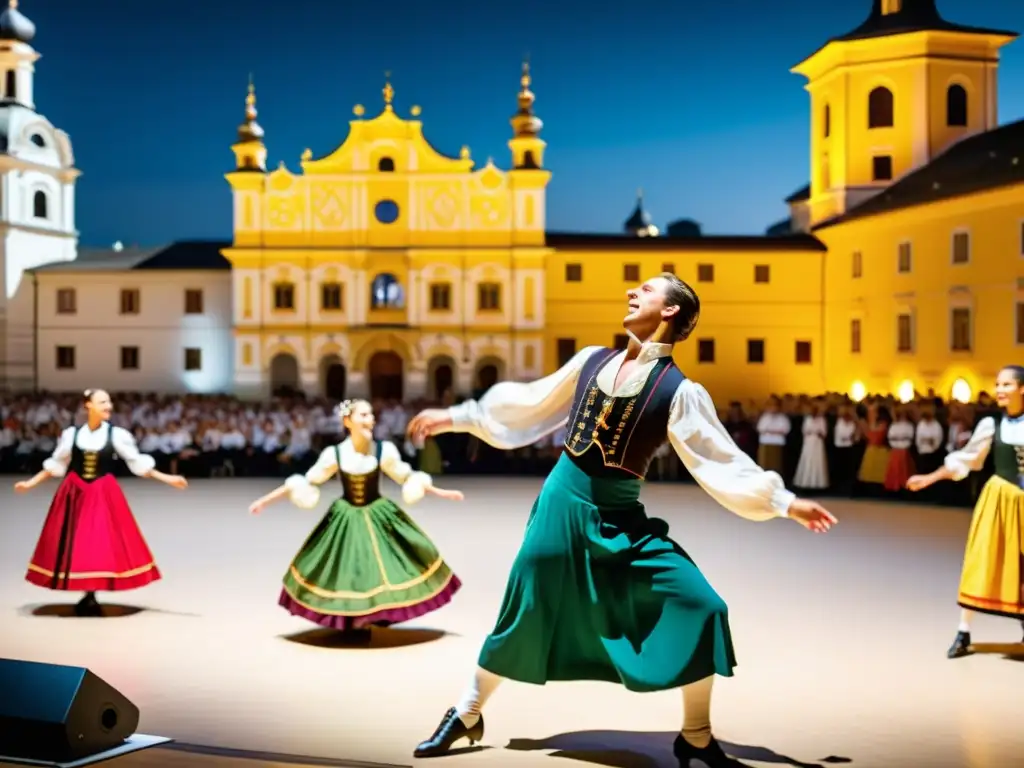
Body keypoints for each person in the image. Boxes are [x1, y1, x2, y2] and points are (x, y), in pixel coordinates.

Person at [406, 273, 837, 767]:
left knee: (703, 606)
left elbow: (719, 459)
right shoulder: (592, 360)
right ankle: (466, 712)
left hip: (620, 516)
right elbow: (531, 403)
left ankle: (695, 736)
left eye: (648, 290)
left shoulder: (679, 391)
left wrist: (783, 502)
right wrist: (460, 417)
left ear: (671, 311)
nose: (633, 292)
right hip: (561, 504)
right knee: (526, 607)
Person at [248, 399, 466, 643]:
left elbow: (407, 477)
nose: (370, 419)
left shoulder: (384, 450)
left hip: (377, 512)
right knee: (349, 570)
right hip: (346, 515)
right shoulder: (336, 453)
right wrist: (266, 501)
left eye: (371, 415)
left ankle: (371, 615)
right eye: (363, 415)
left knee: (382, 567)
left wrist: (441, 492)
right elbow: (306, 482)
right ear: (347, 421)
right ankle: (352, 620)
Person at [13, 389, 187, 617]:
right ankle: (88, 592)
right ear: (88, 405)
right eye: (102, 402)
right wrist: (31, 483)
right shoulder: (71, 434)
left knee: (97, 541)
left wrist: (168, 478)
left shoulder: (116, 435)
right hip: (74, 491)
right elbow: (57, 463)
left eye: (109, 402)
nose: (109, 406)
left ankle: (91, 592)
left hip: (102, 492)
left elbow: (136, 462)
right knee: (76, 542)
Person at [906, 365, 1024, 658]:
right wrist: (930, 477)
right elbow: (966, 460)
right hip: (1001, 499)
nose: (999, 389)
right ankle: (963, 631)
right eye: (997, 384)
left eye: (1006, 385)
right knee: (982, 560)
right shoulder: (991, 425)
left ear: (1022, 389)